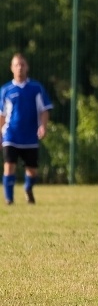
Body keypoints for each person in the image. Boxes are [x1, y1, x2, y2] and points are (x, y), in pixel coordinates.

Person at [1, 53, 53, 205]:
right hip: (10, 135)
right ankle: (9, 199)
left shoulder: (36, 88)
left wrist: (43, 126)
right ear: (11, 68)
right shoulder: (6, 90)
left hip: (30, 135)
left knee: (32, 170)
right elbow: (1, 115)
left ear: (27, 67)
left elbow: (44, 110)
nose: (20, 68)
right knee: (9, 165)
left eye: (22, 64)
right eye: (16, 65)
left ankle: (28, 188)